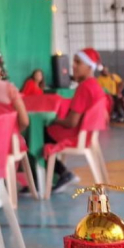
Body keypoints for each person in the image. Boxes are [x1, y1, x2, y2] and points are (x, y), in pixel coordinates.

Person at [47, 47, 110, 192]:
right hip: (88, 136)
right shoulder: (95, 85)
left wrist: (55, 121)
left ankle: (60, 174)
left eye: (78, 62)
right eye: (73, 62)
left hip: (77, 136)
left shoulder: (84, 87)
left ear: (89, 67)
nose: (73, 66)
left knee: (42, 134)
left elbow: (71, 122)